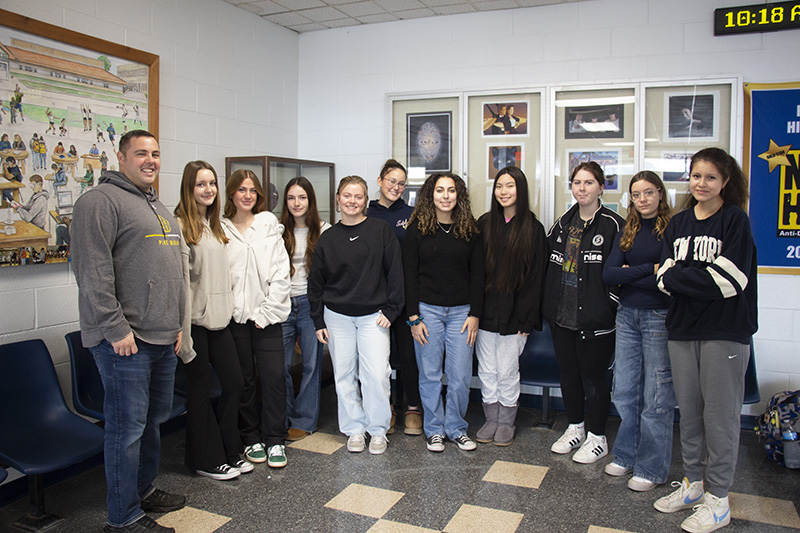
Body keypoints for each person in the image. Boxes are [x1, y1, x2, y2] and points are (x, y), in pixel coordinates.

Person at [71, 130, 186, 533]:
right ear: (120, 158)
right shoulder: (98, 202)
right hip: (125, 343)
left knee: (152, 422)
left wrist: (176, 327)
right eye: (141, 153)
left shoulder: (157, 205)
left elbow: (171, 274)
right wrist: (116, 329)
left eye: (155, 153)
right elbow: (92, 273)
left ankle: (143, 490)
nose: (150, 160)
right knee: (126, 429)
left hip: (161, 338)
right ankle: (122, 518)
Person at [653, 148, 758, 533]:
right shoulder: (678, 223)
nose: (701, 184)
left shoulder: (735, 222)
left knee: (720, 419)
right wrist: (692, 278)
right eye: (696, 176)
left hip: (724, 333)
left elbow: (731, 281)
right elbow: (662, 277)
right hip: (682, 330)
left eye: (710, 177)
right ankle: (694, 486)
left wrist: (682, 277)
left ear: (725, 182)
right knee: (691, 414)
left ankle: (718, 501)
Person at [308, 176, 403, 455]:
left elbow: (395, 273)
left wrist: (392, 309)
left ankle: (377, 430)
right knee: (344, 374)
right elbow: (317, 282)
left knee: (376, 374)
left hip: (374, 316)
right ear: (338, 199)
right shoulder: (328, 238)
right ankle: (354, 429)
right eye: (347, 196)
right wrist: (317, 320)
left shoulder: (381, 231)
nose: (352, 201)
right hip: (337, 317)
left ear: (366, 200)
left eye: (358, 196)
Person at [543, 161, 624, 464]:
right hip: (563, 317)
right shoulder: (564, 223)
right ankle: (575, 427)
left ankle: (598, 437)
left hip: (596, 320)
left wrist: (608, 307)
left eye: (589, 183)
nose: (582, 188)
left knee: (594, 380)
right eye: (577, 182)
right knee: (569, 377)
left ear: (601, 187)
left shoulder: (614, 225)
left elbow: (621, 273)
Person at [174, 161, 248, 482]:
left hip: (220, 321)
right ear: (189, 188)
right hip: (194, 324)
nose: (208, 190)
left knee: (234, 383)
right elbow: (180, 284)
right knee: (200, 392)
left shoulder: (215, 226)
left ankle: (230, 450)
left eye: (212, 184)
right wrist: (182, 333)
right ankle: (206, 459)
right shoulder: (180, 226)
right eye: (201, 184)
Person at [602, 171, 675, 492]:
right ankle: (626, 455)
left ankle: (651, 467)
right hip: (627, 315)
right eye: (636, 194)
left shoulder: (672, 230)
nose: (642, 199)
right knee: (625, 390)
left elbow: (670, 278)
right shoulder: (628, 229)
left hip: (659, 315)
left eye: (648, 193)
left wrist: (632, 273)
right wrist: (649, 270)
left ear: (660, 194)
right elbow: (609, 273)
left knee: (656, 395)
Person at [403, 171, 483, 453]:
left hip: (463, 314)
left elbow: (478, 276)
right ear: (430, 194)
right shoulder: (416, 230)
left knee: (460, 375)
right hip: (427, 312)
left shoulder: (470, 230)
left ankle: (457, 428)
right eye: (440, 190)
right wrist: (413, 317)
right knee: (430, 375)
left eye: (451, 190)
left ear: (458, 195)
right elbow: (409, 276)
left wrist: (475, 314)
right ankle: (434, 430)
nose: (446, 196)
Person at [221, 169, 291, 469]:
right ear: (232, 193)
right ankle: (251, 438)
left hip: (267, 319)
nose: (247, 195)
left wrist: (266, 313)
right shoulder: (220, 229)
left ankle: (276, 439)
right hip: (235, 320)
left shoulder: (268, 226)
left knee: (274, 378)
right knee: (244, 381)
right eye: (241, 190)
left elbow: (280, 274)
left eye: (252, 190)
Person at [475, 166, 547, 446]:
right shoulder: (484, 224)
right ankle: (490, 419)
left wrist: (525, 321)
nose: (503, 192)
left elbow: (535, 280)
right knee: (486, 370)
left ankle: (506, 422)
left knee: (507, 371)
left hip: (515, 317)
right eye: (499, 187)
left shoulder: (533, 228)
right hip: (484, 315)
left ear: (521, 190)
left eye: (510, 186)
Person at [367, 159, 423, 436]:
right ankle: (385, 407)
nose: (396, 187)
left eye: (401, 183)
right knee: (380, 359)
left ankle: (413, 406)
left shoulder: (412, 215)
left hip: (407, 297)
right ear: (379, 181)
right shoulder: (367, 214)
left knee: (408, 354)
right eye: (391, 181)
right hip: (377, 299)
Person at [279, 177, 331, 442]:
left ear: (310, 200)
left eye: (301, 197)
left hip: (311, 306)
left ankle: (304, 420)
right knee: (282, 366)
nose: (296, 203)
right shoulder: (277, 230)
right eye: (291, 198)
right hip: (282, 306)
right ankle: (283, 417)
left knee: (311, 364)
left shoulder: (324, 230)